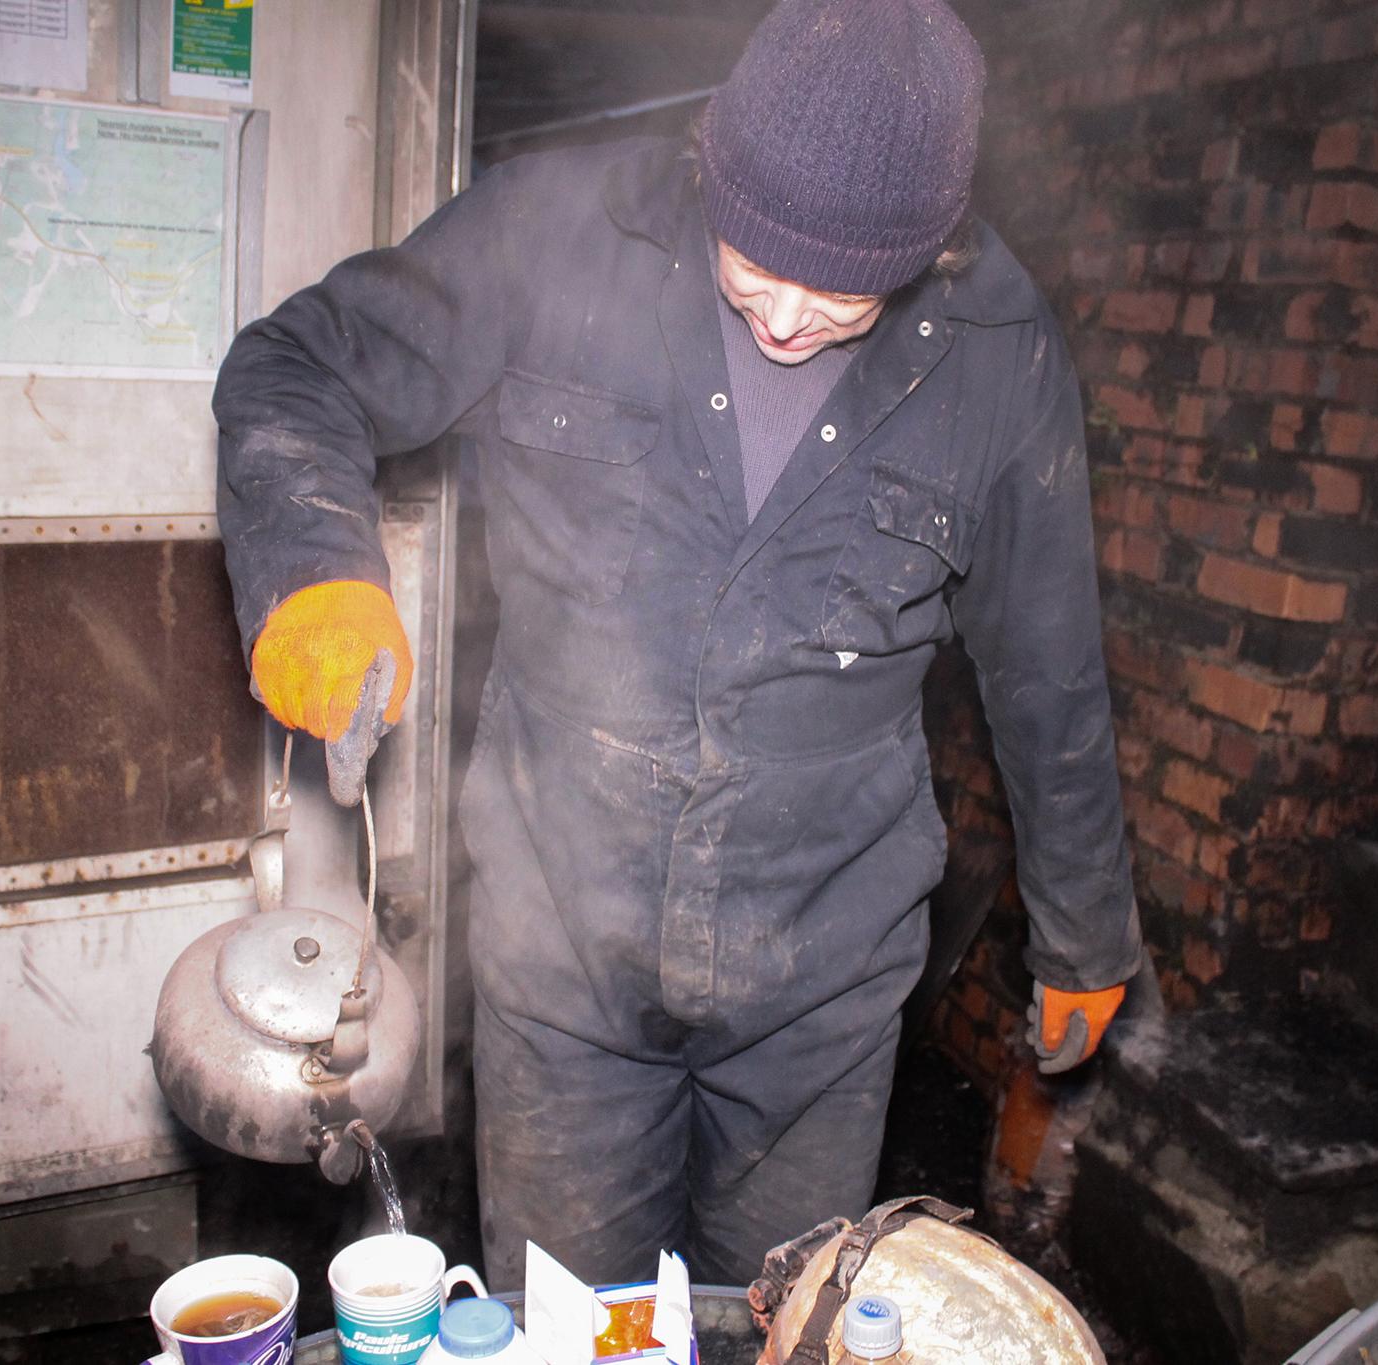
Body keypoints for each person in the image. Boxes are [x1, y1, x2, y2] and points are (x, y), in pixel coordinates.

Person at [213, 0, 1144, 1289]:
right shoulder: (552, 236)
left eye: (843, 294)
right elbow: (294, 367)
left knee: (774, 1317)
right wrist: (318, 574)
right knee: (575, 1325)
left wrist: (1086, 932)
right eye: (758, 271)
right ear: (716, 164)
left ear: (930, 254)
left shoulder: (999, 355)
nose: (786, 324)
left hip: (821, 995)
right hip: (563, 975)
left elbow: (1049, 671)